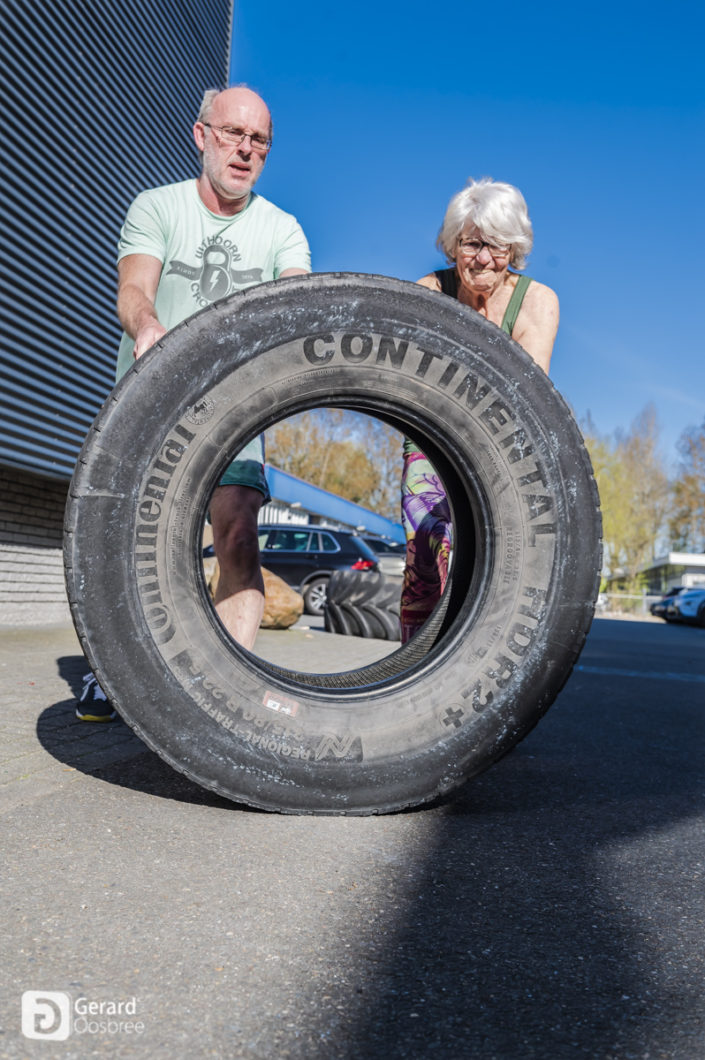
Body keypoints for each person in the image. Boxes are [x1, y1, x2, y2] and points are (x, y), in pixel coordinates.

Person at [77, 85, 311, 720]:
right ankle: (112, 672)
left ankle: (227, 693)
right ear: (202, 135)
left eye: (259, 140)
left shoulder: (283, 230)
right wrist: (148, 326)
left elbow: (297, 306)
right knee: (131, 545)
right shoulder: (158, 207)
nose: (245, 149)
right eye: (233, 133)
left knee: (238, 531)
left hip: (235, 411)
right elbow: (133, 288)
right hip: (150, 402)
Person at [400, 177, 559, 643]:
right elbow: (413, 382)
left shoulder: (537, 303)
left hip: (504, 446)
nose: (483, 258)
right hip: (433, 438)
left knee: (500, 561)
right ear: (453, 245)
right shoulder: (430, 292)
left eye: (497, 245)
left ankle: (482, 657)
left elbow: (529, 399)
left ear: (515, 248)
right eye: (472, 244)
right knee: (426, 546)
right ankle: (418, 657)